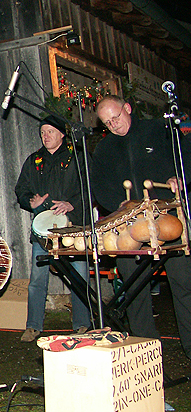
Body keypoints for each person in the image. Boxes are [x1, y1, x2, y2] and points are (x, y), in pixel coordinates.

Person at [93, 95, 191, 361]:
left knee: (184, 285)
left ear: (128, 108)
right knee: (135, 291)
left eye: (116, 118)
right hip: (130, 227)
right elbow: (100, 187)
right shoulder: (103, 150)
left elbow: (187, 156)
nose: (114, 125)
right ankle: (146, 352)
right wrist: (119, 205)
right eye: (107, 123)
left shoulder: (160, 130)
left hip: (167, 218)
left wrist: (181, 178)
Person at [14, 115, 92, 343]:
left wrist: (72, 204)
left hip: (73, 226)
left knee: (79, 275)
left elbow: (89, 187)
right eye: (42, 133)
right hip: (44, 232)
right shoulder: (34, 160)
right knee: (38, 278)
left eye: (50, 132)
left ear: (61, 134)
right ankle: (33, 325)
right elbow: (21, 189)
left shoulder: (77, 157)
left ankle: (82, 323)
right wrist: (30, 202)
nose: (45, 136)